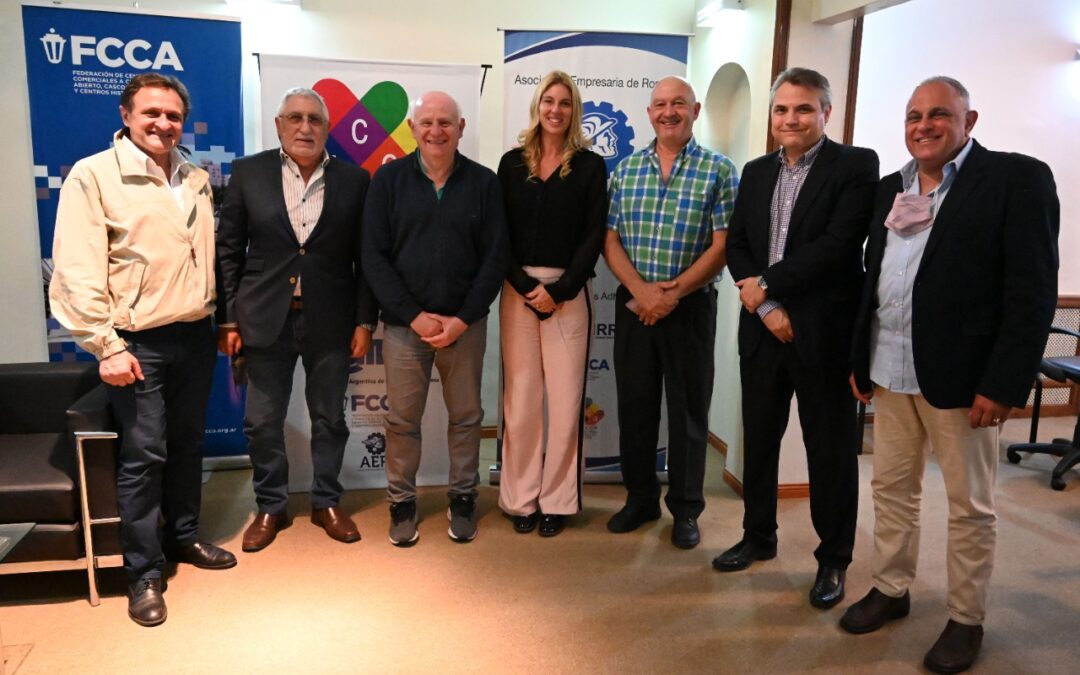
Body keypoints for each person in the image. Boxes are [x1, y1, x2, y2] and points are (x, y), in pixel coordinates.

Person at [842, 77, 1058, 674]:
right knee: (891, 490)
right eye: (914, 116)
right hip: (890, 368)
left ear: (970, 120)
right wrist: (860, 357)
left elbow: (1032, 291)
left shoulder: (1014, 179)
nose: (924, 126)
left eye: (939, 114)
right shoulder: (892, 187)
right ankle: (891, 587)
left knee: (969, 506)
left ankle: (966, 618)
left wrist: (1004, 382)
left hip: (963, 380)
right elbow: (874, 276)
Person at [49, 74, 236, 627]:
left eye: (174, 115)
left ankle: (183, 537)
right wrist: (105, 345)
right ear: (126, 115)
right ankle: (144, 573)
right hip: (135, 343)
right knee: (144, 455)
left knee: (187, 445)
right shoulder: (93, 175)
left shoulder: (195, 176)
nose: (163, 123)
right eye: (152, 112)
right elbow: (76, 270)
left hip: (193, 334)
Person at [716, 68, 878, 610]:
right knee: (759, 440)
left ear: (826, 112)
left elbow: (837, 245)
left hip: (823, 333)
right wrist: (765, 306)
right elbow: (739, 244)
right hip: (763, 329)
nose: (791, 118)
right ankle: (758, 535)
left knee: (829, 451)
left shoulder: (856, 165)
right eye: (782, 109)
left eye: (804, 108)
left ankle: (834, 558)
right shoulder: (756, 170)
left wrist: (766, 287)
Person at [216, 87, 377, 552]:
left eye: (315, 119)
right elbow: (228, 251)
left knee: (330, 418)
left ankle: (327, 501)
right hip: (263, 318)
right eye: (295, 118)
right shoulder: (249, 173)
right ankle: (271, 505)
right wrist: (228, 320)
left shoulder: (354, 180)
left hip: (331, 320)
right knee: (261, 421)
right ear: (279, 125)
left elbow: (365, 258)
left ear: (327, 128)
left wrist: (364, 321)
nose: (305, 127)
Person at [362, 91, 508, 546]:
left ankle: (462, 496)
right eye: (426, 122)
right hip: (406, 327)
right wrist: (414, 316)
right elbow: (373, 256)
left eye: (445, 122)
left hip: (466, 327)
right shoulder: (388, 181)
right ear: (412, 129)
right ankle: (402, 501)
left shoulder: (484, 183)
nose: (435, 131)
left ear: (461, 128)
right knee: (402, 421)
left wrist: (462, 318)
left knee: (466, 417)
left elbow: (496, 258)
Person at [603, 76, 738, 549]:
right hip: (635, 306)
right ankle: (640, 499)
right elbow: (610, 240)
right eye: (660, 104)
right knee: (635, 407)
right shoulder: (625, 171)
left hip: (691, 308)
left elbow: (723, 246)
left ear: (695, 110)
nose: (668, 112)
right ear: (649, 113)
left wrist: (671, 294)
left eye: (678, 103)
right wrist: (642, 292)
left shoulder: (720, 170)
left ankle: (685, 509)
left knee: (688, 414)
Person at [496, 71, 607, 537]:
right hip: (517, 291)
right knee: (521, 401)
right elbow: (498, 234)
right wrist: (525, 285)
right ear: (537, 106)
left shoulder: (590, 166)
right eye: (548, 101)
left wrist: (559, 291)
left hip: (569, 294)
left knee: (564, 403)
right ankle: (520, 498)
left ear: (573, 110)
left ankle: (557, 502)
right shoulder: (511, 164)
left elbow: (593, 235)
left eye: (564, 102)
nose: (555, 110)